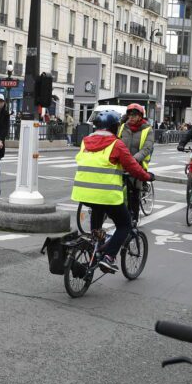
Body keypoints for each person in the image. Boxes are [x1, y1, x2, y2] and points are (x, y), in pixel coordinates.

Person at [71, 110, 155, 272]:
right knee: (125, 224)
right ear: (115, 127)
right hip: (106, 194)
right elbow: (132, 166)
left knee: (96, 215)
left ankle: (95, 249)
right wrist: (147, 176)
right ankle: (109, 257)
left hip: (83, 193)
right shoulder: (116, 144)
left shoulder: (85, 140)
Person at [117, 103, 154, 224]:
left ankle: (134, 219)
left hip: (137, 163)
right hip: (122, 163)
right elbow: (117, 142)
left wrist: (134, 159)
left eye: (134, 115)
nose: (131, 117)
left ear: (140, 116)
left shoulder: (147, 129)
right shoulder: (123, 127)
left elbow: (147, 148)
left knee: (134, 192)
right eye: (129, 115)